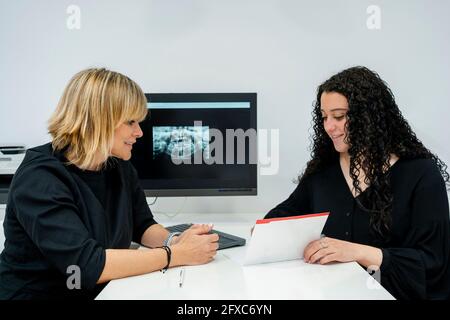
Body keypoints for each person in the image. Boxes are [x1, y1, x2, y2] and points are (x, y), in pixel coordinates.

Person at [0, 68, 219, 300]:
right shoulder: (41, 178)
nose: (139, 132)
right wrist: (175, 254)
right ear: (99, 120)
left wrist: (175, 240)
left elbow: (142, 224)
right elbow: (86, 265)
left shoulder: (117, 165)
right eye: (131, 122)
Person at [265, 66, 450, 300]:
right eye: (324, 117)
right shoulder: (323, 171)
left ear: (368, 117)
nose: (329, 126)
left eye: (339, 116)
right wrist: (267, 230)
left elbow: (433, 263)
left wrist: (356, 252)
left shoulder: (421, 174)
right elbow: (287, 211)